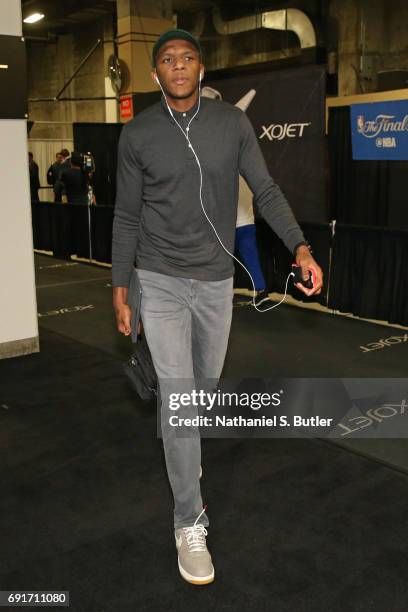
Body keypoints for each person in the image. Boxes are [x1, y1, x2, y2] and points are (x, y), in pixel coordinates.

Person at [112, 28, 323, 586]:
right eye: (166, 60)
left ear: (201, 70)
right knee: (180, 400)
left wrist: (300, 245)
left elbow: (268, 189)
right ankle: (189, 521)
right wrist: (119, 286)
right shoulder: (137, 134)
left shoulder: (232, 125)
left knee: (200, 393)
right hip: (157, 280)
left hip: (213, 282)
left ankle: (186, 459)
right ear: (155, 74)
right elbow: (127, 217)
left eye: (187, 58)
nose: (177, 66)